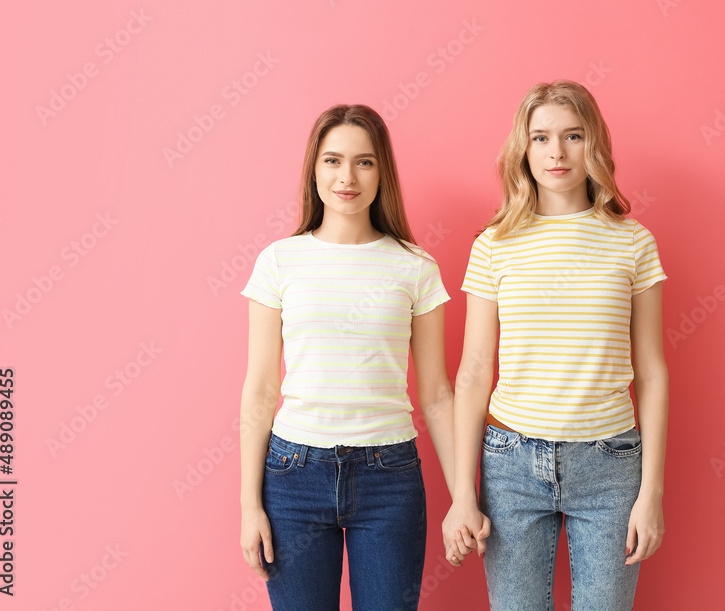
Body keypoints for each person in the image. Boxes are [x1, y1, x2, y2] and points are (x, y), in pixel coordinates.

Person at [442, 80, 669, 610]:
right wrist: (462, 494)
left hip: (610, 463)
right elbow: (474, 372)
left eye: (573, 136)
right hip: (511, 464)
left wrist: (651, 493)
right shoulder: (495, 244)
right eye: (541, 138)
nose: (557, 152)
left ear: (595, 144)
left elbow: (653, 373)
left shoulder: (632, 242)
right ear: (523, 149)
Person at [238, 104, 457, 611]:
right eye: (333, 160)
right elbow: (261, 389)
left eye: (364, 162)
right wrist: (250, 506)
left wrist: (463, 497)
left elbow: (437, 394)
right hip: (293, 476)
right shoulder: (279, 261)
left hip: (390, 478)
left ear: (383, 172)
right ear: (314, 168)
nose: (347, 177)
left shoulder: (415, 266)